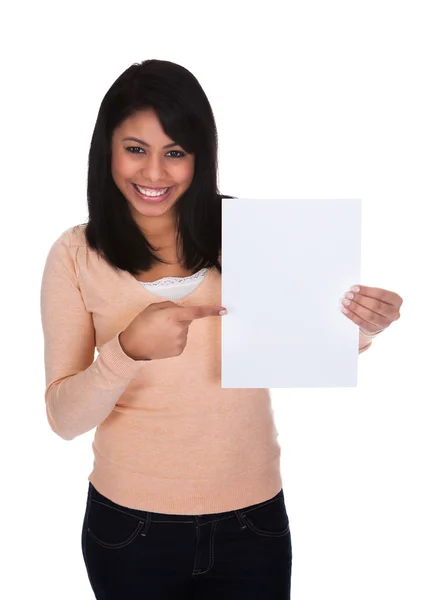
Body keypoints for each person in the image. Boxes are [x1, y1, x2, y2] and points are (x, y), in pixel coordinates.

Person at [40, 59, 402, 600]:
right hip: (130, 528)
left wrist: (359, 327)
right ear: (106, 151)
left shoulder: (254, 233)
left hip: (252, 522)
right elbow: (64, 420)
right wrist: (127, 350)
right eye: (135, 149)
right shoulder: (75, 254)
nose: (155, 173)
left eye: (176, 152)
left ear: (200, 155)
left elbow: (299, 345)